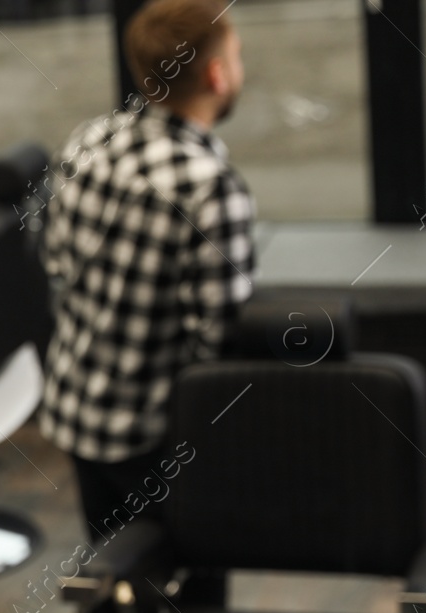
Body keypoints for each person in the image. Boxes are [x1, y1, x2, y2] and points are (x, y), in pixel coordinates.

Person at [37, 0, 255, 536]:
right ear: (217, 74)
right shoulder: (208, 186)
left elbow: (57, 264)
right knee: (189, 593)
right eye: (237, 56)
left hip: (76, 407)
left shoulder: (88, 140)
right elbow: (219, 338)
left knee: (115, 565)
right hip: (156, 434)